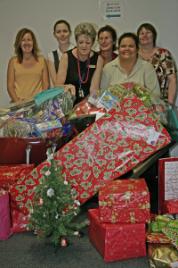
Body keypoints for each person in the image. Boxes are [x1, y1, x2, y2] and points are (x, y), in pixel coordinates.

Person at [99, 32, 161, 102]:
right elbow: (102, 96)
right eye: (123, 46)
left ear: (137, 49)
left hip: (142, 110)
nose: (127, 49)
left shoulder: (147, 68)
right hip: (113, 110)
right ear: (118, 49)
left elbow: (156, 96)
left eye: (131, 46)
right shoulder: (108, 68)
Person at [55, 22, 103, 105]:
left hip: (87, 104)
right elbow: (57, 87)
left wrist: (87, 106)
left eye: (88, 43)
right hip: (67, 104)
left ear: (93, 43)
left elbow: (94, 89)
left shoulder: (98, 59)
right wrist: (67, 87)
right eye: (81, 42)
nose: (84, 46)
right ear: (76, 42)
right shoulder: (66, 57)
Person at [137, 23, 177, 105]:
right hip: (138, 104)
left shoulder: (163, 54)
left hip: (161, 103)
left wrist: (170, 104)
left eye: (148, 32)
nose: (145, 35)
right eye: (142, 33)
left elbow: (172, 80)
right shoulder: (134, 55)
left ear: (154, 35)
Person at [7, 28, 49, 103]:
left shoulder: (42, 60)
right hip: (18, 104)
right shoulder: (13, 61)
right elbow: (10, 86)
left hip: (37, 104)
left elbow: (46, 84)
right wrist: (18, 102)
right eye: (23, 40)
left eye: (29, 40)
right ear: (19, 43)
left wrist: (40, 101)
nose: (26, 43)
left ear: (33, 42)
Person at [47, 19, 74, 86]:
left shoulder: (78, 52)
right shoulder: (51, 56)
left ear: (70, 33)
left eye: (65, 31)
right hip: (59, 94)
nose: (62, 34)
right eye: (58, 32)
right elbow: (56, 84)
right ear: (54, 34)